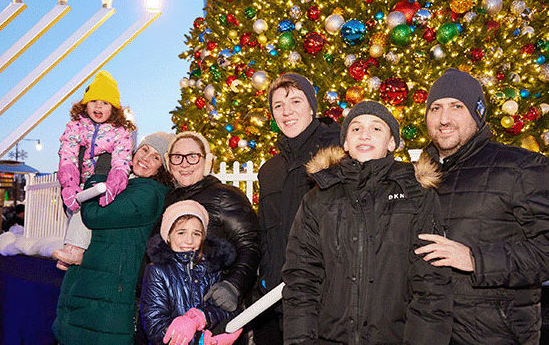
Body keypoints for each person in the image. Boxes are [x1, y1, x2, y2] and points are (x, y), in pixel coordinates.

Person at [282, 100, 453, 344]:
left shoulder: (417, 196)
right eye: (356, 128)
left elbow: (432, 286)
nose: (365, 134)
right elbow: (301, 280)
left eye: (376, 128)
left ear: (391, 142)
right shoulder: (318, 199)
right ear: (345, 142)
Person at [414, 68, 549, 344]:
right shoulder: (418, 176)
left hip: (496, 335)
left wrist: (476, 260)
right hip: (429, 332)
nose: (444, 119)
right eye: (435, 108)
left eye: (457, 107)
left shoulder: (521, 167)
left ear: (477, 114)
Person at [53, 132, 174, 344]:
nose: (145, 158)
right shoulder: (128, 182)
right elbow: (76, 207)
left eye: (156, 158)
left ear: (161, 169)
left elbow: (94, 215)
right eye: (145, 150)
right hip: (93, 282)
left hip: (109, 293)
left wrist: (99, 176)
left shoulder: (149, 193)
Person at [254, 73, 339, 342]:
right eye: (278, 105)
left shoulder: (336, 154)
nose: (286, 111)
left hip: (325, 300)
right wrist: (266, 277)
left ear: (312, 107)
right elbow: (266, 233)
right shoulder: (270, 170)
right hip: (276, 298)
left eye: (295, 101)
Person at [164, 131, 260, 313]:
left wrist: (233, 285)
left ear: (206, 161)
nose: (184, 164)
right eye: (177, 157)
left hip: (213, 307)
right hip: (172, 307)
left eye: (192, 157)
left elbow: (250, 246)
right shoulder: (168, 199)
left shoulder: (226, 196)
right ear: (169, 162)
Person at [53, 70, 135, 270]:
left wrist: (112, 186)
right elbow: (67, 156)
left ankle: (74, 250)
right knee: (79, 208)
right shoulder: (75, 128)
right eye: (94, 101)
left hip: (104, 186)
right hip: (79, 185)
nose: (99, 106)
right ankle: (74, 251)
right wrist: (69, 186)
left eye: (105, 103)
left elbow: (122, 161)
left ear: (114, 109)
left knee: (88, 207)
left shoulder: (120, 133)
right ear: (85, 105)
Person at [139, 200, 243, 345]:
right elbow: (154, 324)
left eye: (196, 233)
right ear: (168, 236)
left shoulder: (212, 268)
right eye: (181, 232)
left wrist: (204, 317)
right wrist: (197, 341)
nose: (189, 240)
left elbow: (227, 310)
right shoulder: (157, 271)